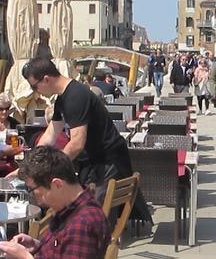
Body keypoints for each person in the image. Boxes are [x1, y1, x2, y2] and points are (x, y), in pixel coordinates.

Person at [24, 57, 134, 193]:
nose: (35, 91)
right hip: (96, 163)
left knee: (92, 211)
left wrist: (50, 169)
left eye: (34, 86)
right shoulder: (62, 99)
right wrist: (29, 166)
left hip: (109, 162)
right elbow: (50, 135)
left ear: (46, 79)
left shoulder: (75, 96)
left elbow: (77, 144)